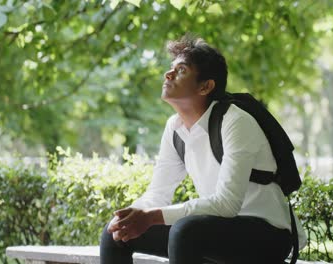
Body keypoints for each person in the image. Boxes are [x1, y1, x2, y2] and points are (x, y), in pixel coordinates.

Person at [100, 35, 307, 264]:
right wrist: (131, 216)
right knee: (116, 234)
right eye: (170, 69)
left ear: (205, 86)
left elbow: (226, 204)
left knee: (186, 231)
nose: (168, 75)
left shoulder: (235, 121)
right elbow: (158, 193)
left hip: (267, 235)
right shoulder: (174, 128)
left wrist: (152, 217)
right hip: (213, 231)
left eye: (181, 70)